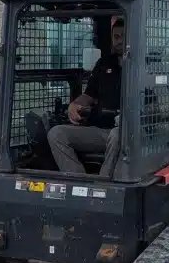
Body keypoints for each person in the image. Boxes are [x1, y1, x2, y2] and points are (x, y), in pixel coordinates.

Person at [48, 17, 124, 177]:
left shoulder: (142, 67)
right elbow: (89, 95)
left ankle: (103, 184)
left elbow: (153, 108)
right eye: (116, 37)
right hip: (99, 131)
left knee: (117, 135)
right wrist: (74, 105)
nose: (119, 41)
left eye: (123, 37)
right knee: (56, 133)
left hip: (124, 133)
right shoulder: (103, 64)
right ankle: (78, 180)